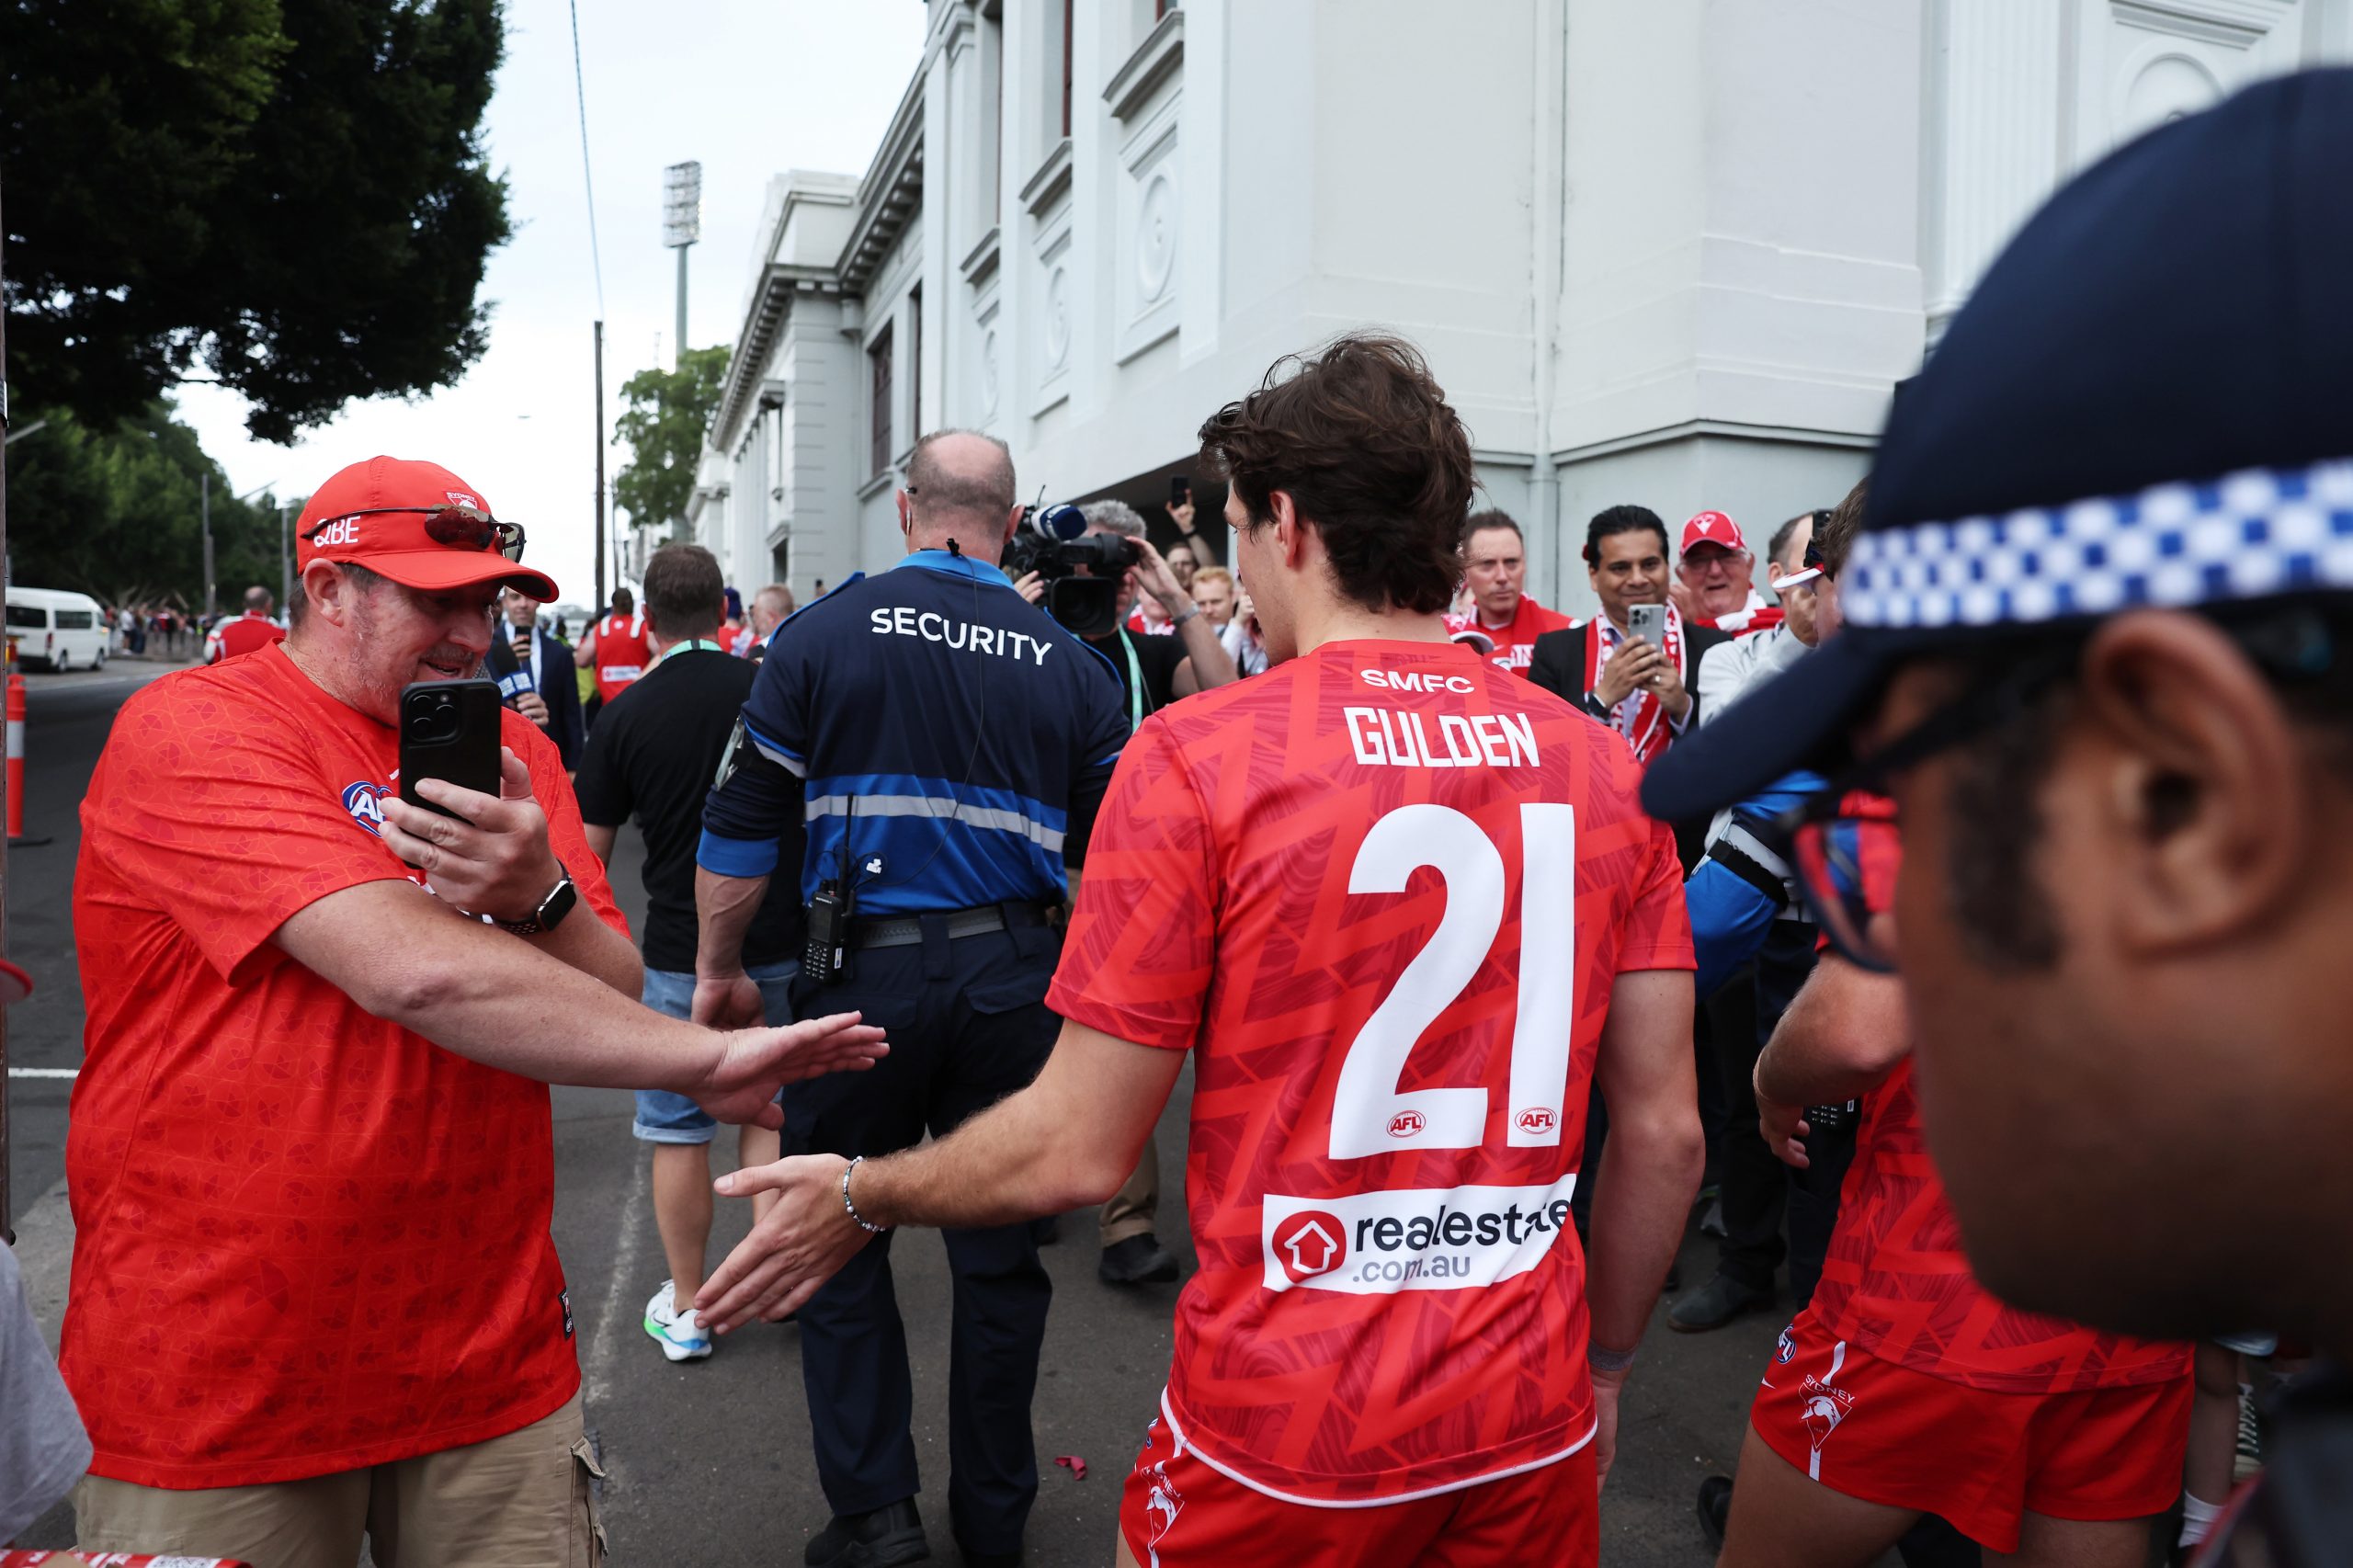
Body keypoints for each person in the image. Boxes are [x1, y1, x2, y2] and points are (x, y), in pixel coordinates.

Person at [693, 334, 1706, 1568]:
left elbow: (1075, 1142)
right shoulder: (1605, 760)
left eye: (1234, 527)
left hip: (1285, 1419)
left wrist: (860, 1189)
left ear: (1285, 522)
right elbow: (1663, 1131)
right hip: (1524, 1410)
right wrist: (1604, 1365)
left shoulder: (1202, 755)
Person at [63, 454, 887, 1567]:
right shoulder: (199, 727)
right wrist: (702, 1058)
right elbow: (411, 973)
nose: (470, 633)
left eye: (485, 601)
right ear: (327, 585)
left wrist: (534, 895)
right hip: (219, 1368)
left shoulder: (522, 756)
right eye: (431, 597)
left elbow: (603, 984)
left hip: (485, 1360)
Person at [690, 428, 1130, 1568]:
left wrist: (719, 970)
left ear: (906, 508)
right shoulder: (1070, 665)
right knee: (998, 1257)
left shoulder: (820, 633)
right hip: (1012, 981)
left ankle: (876, 1516)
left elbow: (740, 829)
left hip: (863, 978)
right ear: (1009, 519)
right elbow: (1115, 857)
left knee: (834, 1225)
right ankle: (995, 1518)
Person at [574, 542, 808, 1365]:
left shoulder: (627, 713)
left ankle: (687, 1308)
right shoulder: (772, 690)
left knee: (677, 1130)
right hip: (781, 937)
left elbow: (587, 857)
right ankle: (779, 1289)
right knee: (770, 1111)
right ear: (724, 612)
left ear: (646, 618)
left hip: (676, 949)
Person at [1057, 497, 1237, 1284]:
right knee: (1034, 1045)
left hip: (1143, 873)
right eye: (1090, 565)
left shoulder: (1150, 653)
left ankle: (1124, 1227)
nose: (1108, 582)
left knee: (1122, 1045)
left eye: (1119, 565)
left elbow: (1228, 702)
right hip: (1047, 869)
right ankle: (1022, 1185)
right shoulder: (1029, 646)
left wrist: (1173, 597)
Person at [1529, 506, 1731, 776]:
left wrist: (1683, 709)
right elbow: (1538, 753)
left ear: (1667, 568)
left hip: (1682, 813)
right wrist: (1600, 700)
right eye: (1620, 568)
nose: (1637, 579)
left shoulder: (1715, 647)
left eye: (1649, 564)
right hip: (1590, 814)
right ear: (1593, 576)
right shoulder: (1555, 651)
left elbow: (1732, 752)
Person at [1696, 513, 1825, 722]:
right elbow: (1718, 741)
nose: (1828, 572)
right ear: (1778, 576)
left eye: (1841, 560)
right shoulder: (1730, 657)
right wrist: (1796, 641)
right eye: (1814, 557)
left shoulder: (1869, 647)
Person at [1443, 509, 1573, 676]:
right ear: (1465, 570)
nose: (1502, 577)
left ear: (1524, 564)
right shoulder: (1447, 637)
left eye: (1511, 562)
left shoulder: (1567, 633)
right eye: (1488, 564)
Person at [486, 587, 586, 772]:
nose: (523, 604)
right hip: (499, 758)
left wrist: (574, 767)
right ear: (505, 602)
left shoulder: (560, 653)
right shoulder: (486, 648)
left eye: (529, 597)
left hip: (550, 758)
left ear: (538, 601)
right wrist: (509, 663)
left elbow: (571, 713)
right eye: (515, 597)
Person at [1673, 511, 1776, 631]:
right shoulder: (1669, 639)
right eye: (1699, 561)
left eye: (1726, 557)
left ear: (1749, 565)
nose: (1715, 571)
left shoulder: (1785, 631)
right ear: (1681, 576)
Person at [574, 586, 652, 724]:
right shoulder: (642, 627)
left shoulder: (601, 629)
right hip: (639, 706)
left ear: (613, 606)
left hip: (609, 708)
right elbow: (664, 654)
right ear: (632, 605)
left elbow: (581, 660)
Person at [201, 586, 284, 665]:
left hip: (230, 679)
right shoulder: (278, 635)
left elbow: (216, 666)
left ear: (244, 604)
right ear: (268, 606)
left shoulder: (226, 632)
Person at [745, 582, 795, 660]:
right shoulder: (808, 643)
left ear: (771, 617)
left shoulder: (760, 653)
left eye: (756, 615)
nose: (755, 621)